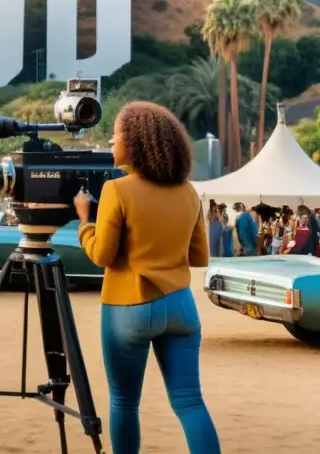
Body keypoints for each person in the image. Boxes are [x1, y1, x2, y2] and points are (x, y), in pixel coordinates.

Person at [75, 102, 220, 454]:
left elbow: (102, 255)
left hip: (130, 307)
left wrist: (84, 222)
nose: (112, 141)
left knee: (124, 402)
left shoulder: (117, 190)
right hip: (181, 306)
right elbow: (199, 257)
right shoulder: (188, 191)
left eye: (117, 135)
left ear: (137, 142)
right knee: (190, 402)